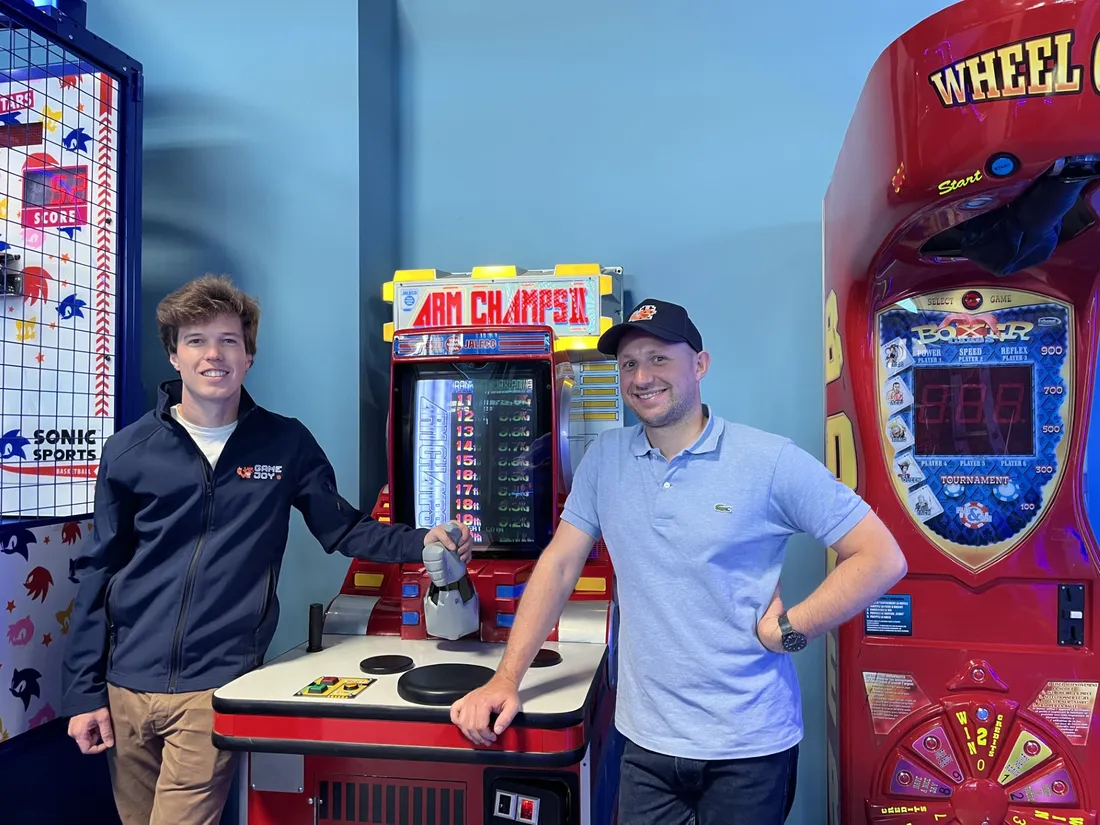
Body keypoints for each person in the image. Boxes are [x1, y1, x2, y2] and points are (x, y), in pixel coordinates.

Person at [450, 298, 907, 824]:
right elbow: (557, 566)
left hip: (749, 746)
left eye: (659, 358)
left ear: (700, 364)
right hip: (645, 743)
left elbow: (880, 556)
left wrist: (790, 631)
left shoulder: (768, 460)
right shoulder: (605, 459)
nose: (642, 376)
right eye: (629, 364)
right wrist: (506, 678)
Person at [61, 274, 472, 825]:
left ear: (249, 356)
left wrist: (423, 540)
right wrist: (83, 693)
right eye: (196, 341)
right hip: (124, 686)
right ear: (173, 356)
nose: (213, 355)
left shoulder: (285, 442)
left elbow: (345, 530)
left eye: (229, 340)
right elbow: (99, 571)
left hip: (213, 686)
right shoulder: (128, 451)